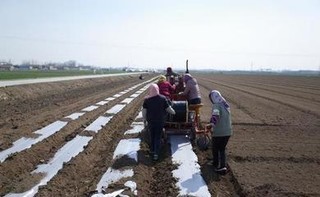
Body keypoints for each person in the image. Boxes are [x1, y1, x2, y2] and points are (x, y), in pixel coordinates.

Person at [142, 84, 175, 161]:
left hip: (150, 121)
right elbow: (169, 109)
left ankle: (152, 150)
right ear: (158, 90)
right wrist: (174, 112)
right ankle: (156, 153)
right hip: (160, 121)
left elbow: (144, 112)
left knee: (152, 136)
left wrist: (144, 120)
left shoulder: (147, 100)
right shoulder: (162, 98)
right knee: (158, 137)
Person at [207, 90, 233, 174]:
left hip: (220, 132)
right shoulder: (225, 104)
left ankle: (220, 166)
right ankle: (218, 164)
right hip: (228, 131)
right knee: (221, 148)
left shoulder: (216, 105)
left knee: (216, 148)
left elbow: (216, 115)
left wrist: (211, 125)